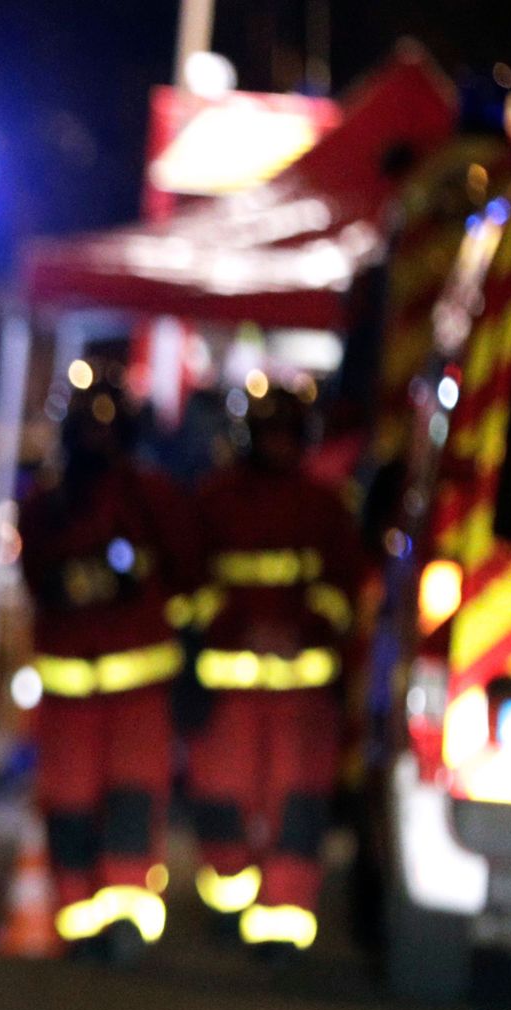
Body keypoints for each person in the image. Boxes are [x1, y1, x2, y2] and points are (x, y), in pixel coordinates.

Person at [20, 375, 197, 963]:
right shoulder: (44, 505)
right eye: (86, 428)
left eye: (105, 427)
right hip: (70, 690)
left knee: (133, 801)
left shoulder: (152, 496)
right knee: (69, 805)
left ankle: (124, 920)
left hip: (138, 691)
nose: (96, 439)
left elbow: (188, 573)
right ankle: (78, 917)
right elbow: (38, 582)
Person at [187, 387, 365, 956]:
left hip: (302, 697)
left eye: (289, 434)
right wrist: (237, 629)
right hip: (230, 693)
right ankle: (228, 901)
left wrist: (306, 630)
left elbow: (344, 589)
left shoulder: (325, 506)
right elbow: (193, 585)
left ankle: (282, 923)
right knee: (220, 800)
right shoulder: (213, 502)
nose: (280, 445)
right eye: (271, 434)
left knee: (297, 807)